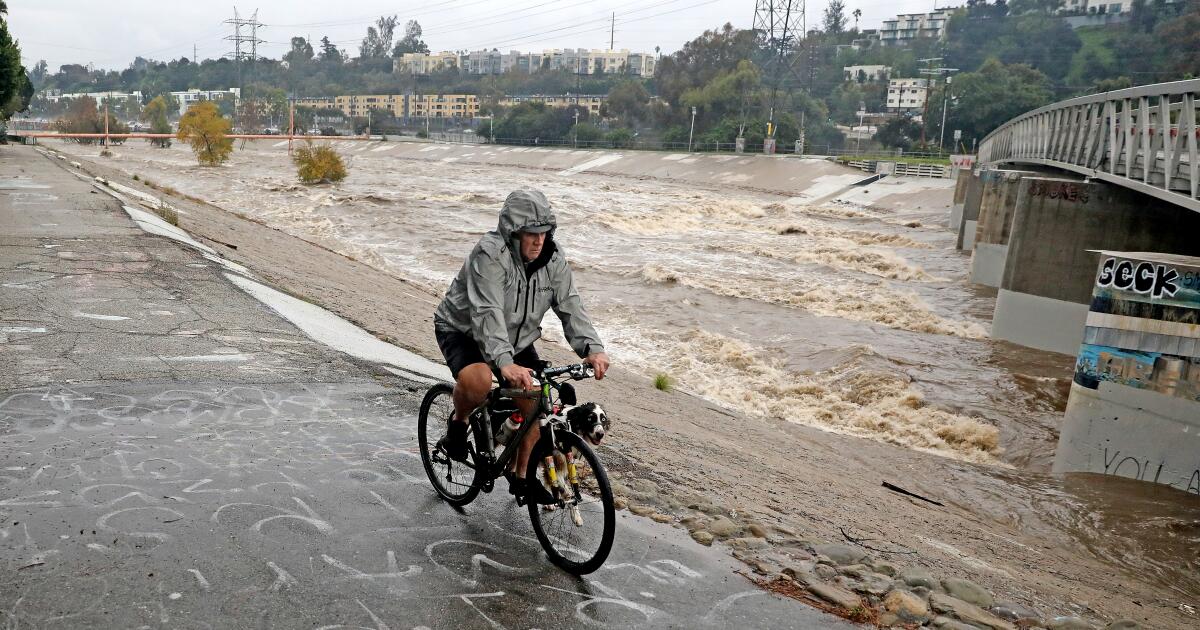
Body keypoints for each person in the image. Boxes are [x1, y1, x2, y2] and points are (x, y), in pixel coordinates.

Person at [433, 189, 610, 504]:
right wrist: (504, 362)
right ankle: (459, 423)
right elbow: (486, 312)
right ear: (513, 232)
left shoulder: (553, 260)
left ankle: (521, 475)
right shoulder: (489, 254)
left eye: (544, 233)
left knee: (536, 400)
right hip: (463, 329)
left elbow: (570, 305)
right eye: (531, 233)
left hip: (516, 338)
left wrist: (591, 348)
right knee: (479, 382)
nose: (539, 241)